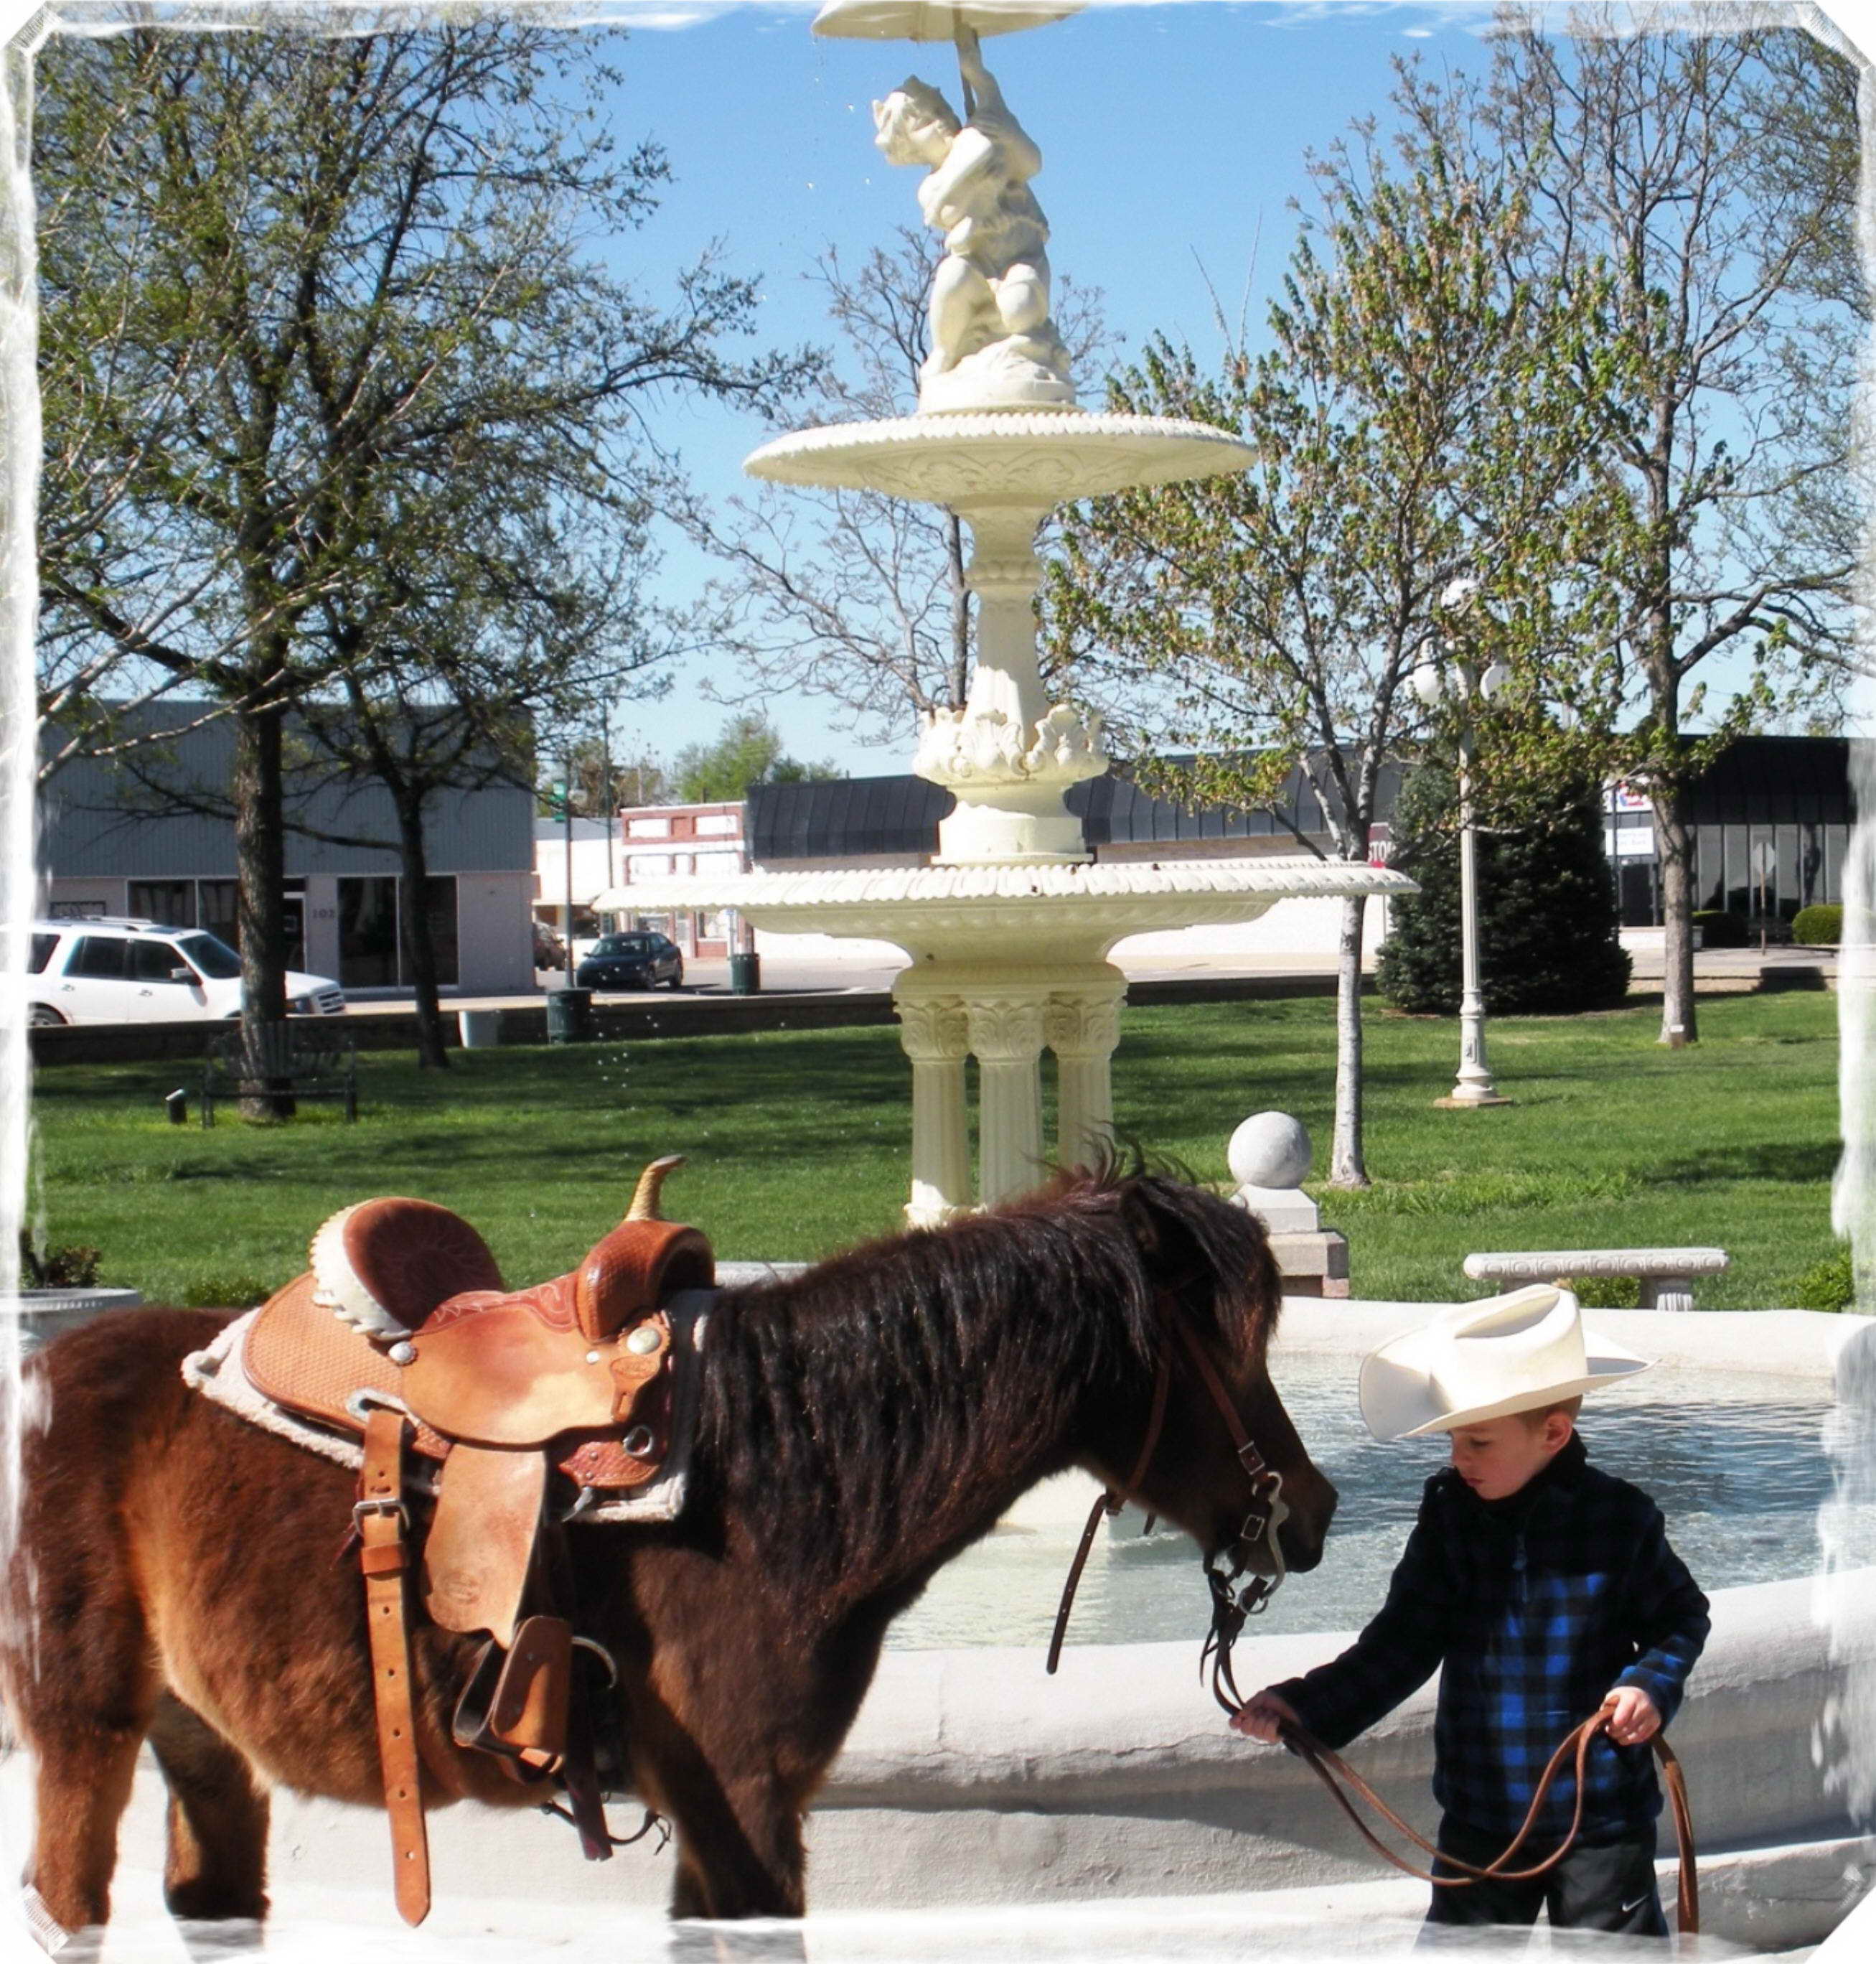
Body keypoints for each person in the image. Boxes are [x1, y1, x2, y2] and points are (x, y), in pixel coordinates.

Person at [1232, 1285, 1709, 1940]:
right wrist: (1305, 1708)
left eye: (1478, 1442)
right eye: (1454, 1438)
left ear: (1553, 1433)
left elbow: (1681, 1618)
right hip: (1482, 1814)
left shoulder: (1620, 1520)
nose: (1459, 1458)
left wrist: (1649, 1686)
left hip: (1601, 1816)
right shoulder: (1450, 1518)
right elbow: (1402, 1641)